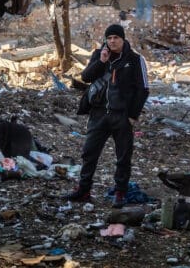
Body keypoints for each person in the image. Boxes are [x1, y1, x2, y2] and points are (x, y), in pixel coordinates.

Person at [64, 24, 149, 208]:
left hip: (122, 116)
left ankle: (120, 192)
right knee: (89, 153)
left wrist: (133, 116)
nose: (112, 41)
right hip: (99, 114)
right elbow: (85, 77)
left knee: (123, 156)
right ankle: (83, 190)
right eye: (109, 38)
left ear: (123, 39)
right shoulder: (98, 55)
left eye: (116, 38)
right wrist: (101, 61)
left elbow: (143, 89)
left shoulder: (135, 59)